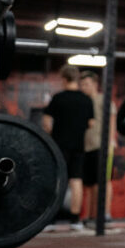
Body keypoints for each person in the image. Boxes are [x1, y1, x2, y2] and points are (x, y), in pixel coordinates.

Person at [43, 65, 96, 231]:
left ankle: (51, 220)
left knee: (58, 179)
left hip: (59, 145)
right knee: (76, 180)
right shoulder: (86, 99)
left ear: (64, 79)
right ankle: (75, 220)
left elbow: (46, 122)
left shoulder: (58, 98)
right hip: (78, 145)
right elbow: (91, 123)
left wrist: (55, 132)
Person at [80, 70, 116, 224]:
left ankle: (105, 213)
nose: (83, 87)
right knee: (90, 184)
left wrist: (110, 141)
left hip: (102, 146)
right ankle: (92, 216)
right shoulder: (83, 102)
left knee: (104, 181)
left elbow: (112, 121)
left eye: (86, 84)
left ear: (95, 85)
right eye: (82, 84)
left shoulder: (104, 100)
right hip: (86, 147)